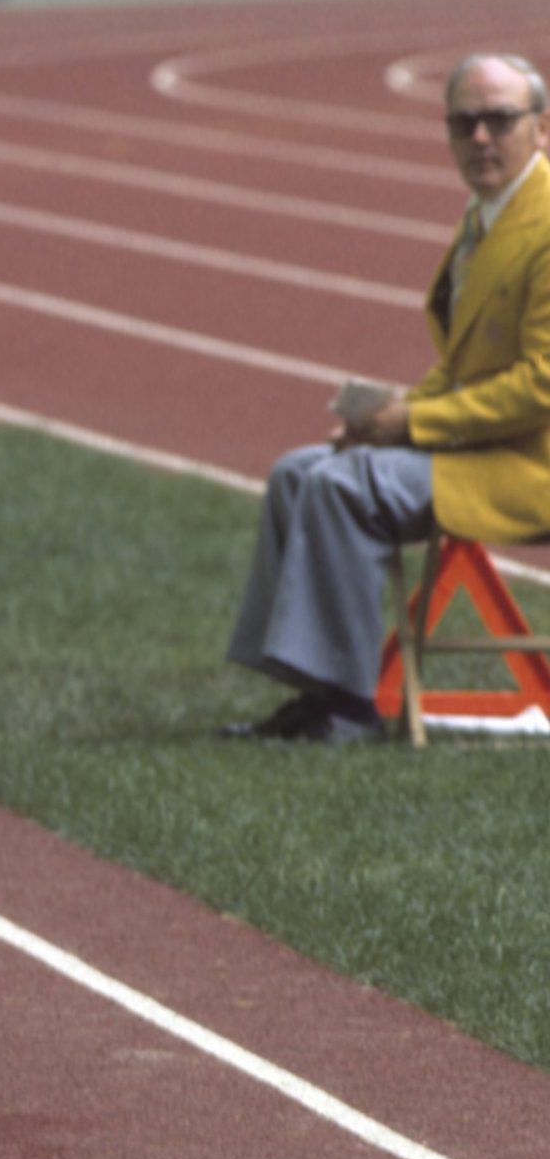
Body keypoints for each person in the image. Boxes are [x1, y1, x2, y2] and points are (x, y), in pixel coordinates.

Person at [223, 51, 550, 745]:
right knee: (298, 471)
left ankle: (344, 708)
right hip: (487, 447)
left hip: (531, 464)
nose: (481, 138)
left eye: (499, 120)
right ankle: (311, 689)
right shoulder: (489, 214)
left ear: (540, 127)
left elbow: (540, 387)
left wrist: (411, 424)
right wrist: (383, 419)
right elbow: (464, 367)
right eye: (464, 124)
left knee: (346, 487)